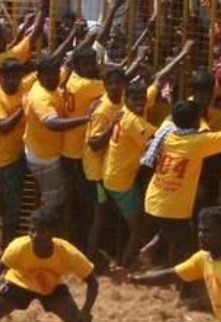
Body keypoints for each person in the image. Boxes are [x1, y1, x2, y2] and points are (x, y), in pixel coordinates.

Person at [140, 89, 221, 274]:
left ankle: (150, 248)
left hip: (154, 199)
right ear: (196, 121)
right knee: (187, 247)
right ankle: (185, 290)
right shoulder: (198, 142)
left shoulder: (167, 132)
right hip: (173, 206)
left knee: (174, 230)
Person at [23, 54, 92, 211]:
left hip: (46, 151)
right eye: (49, 76)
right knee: (53, 203)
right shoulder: (40, 97)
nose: (54, 79)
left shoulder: (51, 81)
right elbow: (52, 123)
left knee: (54, 195)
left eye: (55, 74)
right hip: (44, 158)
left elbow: (66, 68)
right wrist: (86, 119)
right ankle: (48, 231)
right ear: (39, 76)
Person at [102, 81, 156, 269]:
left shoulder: (125, 111)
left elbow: (155, 84)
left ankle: (126, 262)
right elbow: (156, 141)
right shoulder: (133, 120)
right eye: (136, 100)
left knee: (134, 226)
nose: (140, 103)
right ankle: (126, 266)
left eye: (143, 99)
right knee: (139, 228)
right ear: (127, 100)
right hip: (120, 181)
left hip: (114, 175)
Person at [62, 47, 106, 251]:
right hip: (77, 154)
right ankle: (82, 245)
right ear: (78, 66)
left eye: (92, 63)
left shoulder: (72, 78)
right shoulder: (89, 86)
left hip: (70, 150)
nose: (91, 67)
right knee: (88, 203)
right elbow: (116, 83)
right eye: (86, 64)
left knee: (79, 201)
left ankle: (77, 241)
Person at [82, 67, 126, 261]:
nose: (115, 87)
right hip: (96, 173)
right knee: (99, 216)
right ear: (105, 86)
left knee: (109, 214)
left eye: (118, 83)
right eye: (111, 83)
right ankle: (90, 257)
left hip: (111, 170)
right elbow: (94, 144)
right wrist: (112, 126)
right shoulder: (102, 111)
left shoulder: (123, 102)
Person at [0, 58, 27, 244]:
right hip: (4, 160)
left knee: (19, 204)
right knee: (10, 207)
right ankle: (6, 247)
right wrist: (23, 108)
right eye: (7, 77)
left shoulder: (25, 90)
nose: (11, 81)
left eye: (15, 76)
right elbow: (4, 127)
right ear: (0, 77)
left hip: (23, 154)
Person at [0, 0, 45, 90]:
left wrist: (24, 28)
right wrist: (42, 8)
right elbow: (37, 31)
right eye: (3, 29)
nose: (7, 29)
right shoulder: (13, 57)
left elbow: (9, 47)